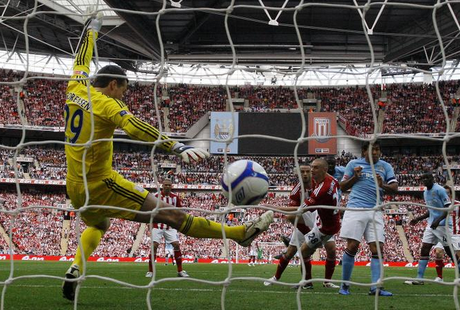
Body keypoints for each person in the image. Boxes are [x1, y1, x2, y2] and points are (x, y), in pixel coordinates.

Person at [62, 14, 274, 301]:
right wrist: (176, 146)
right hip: (101, 184)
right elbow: (134, 127)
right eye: (123, 90)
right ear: (113, 85)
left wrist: (92, 31)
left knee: (99, 225)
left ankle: (76, 267)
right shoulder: (106, 104)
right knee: (174, 216)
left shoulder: (75, 86)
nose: (124, 96)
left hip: (74, 186)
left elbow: (80, 60)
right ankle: (239, 234)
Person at [265, 159, 341, 289]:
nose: (307, 173)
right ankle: (277, 277)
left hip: (319, 219)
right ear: (298, 174)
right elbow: (293, 215)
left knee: (331, 250)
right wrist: (308, 234)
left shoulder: (319, 185)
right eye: (303, 171)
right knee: (291, 252)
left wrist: (273, 207)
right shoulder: (296, 191)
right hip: (303, 221)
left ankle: (325, 282)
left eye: (310, 170)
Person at [339, 141, 398, 296]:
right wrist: (354, 177)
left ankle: (376, 287)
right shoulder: (353, 164)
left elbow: (394, 189)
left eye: (377, 150)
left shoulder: (385, 167)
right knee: (352, 246)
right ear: (364, 151)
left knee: (377, 248)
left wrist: (382, 184)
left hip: (376, 211)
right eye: (372, 150)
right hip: (355, 208)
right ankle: (344, 285)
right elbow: (342, 186)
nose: (375, 153)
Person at [404, 177, 460, 285]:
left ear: (432, 179)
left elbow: (447, 208)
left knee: (450, 252)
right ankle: (420, 279)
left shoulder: (440, 190)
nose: (425, 181)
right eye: (423, 179)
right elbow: (431, 210)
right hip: (431, 225)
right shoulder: (425, 192)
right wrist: (418, 219)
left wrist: (438, 220)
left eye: (427, 179)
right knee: (425, 249)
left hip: (443, 226)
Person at [145, 179, 188, 278]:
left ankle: (180, 271)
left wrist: (178, 223)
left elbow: (180, 211)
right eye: (165, 185)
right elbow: (150, 211)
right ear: (162, 186)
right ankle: (150, 271)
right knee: (154, 246)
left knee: (176, 245)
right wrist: (150, 225)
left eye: (169, 185)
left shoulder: (175, 198)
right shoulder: (156, 197)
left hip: (170, 227)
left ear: (171, 186)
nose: (167, 186)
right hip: (157, 225)